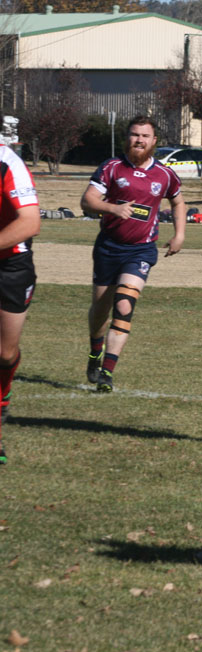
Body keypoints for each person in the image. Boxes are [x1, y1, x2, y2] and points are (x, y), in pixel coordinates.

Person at [82, 116, 186, 393]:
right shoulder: (112, 167)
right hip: (108, 248)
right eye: (134, 134)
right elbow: (87, 200)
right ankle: (95, 353)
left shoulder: (164, 174)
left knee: (125, 303)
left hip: (141, 249)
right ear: (127, 137)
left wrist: (179, 235)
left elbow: (178, 202)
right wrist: (113, 208)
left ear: (154, 141)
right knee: (100, 311)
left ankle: (107, 372)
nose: (139, 140)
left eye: (145, 136)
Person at [0, 144, 41, 464]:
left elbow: (30, 223)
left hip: (10, 265)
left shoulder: (7, 162)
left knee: (4, 353)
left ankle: (3, 393)